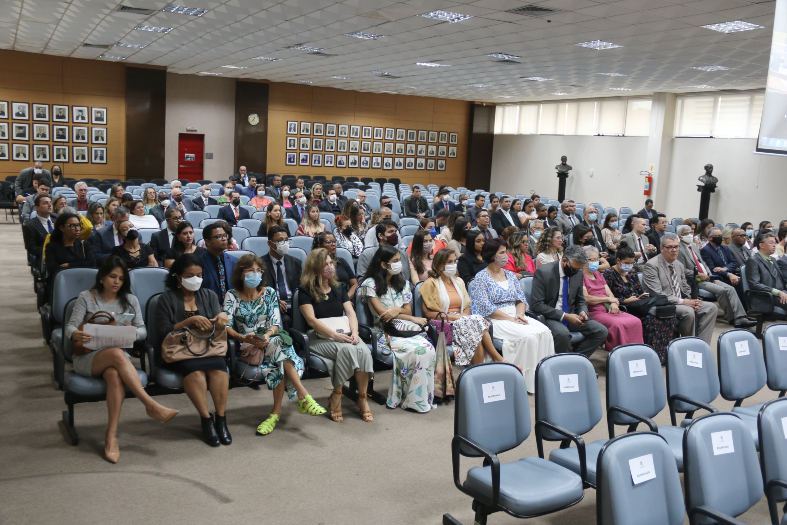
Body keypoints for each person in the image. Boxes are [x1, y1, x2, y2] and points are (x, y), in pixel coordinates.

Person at [66, 257, 178, 461]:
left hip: (117, 360)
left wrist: (131, 332)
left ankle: (111, 435)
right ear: (101, 277)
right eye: (112, 276)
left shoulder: (130, 300)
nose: (116, 281)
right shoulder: (86, 297)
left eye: (120, 277)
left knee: (114, 376)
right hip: (89, 358)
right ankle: (150, 405)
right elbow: (70, 326)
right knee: (117, 354)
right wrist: (75, 335)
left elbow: (143, 331)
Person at [223, 254, 325, 434]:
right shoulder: (231, 296)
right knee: (282, 350)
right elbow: (227, 327)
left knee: (278, 348)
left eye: (259, 271)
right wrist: (245, 338)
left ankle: (275, 414)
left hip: (269, 339)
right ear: (241, 274)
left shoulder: (269, 292)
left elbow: (275, 322)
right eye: (251, 271)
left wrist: (268, 335)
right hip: (247, 345)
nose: (256, 274)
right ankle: (303, 396)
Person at [155, 253, 232, 447]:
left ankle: (221, 419)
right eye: (190, 275)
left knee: (218, 368)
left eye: (199, 275)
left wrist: (222, 316)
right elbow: (162, 331)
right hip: (180, 350)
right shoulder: (166, 298)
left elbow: (218, 323)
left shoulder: (209, 295)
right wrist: (188, 321)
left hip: (208, 347)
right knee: (196, 372)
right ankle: (206, 420)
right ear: (178, 277)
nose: (195, 280)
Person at [469, 238, 555, 390]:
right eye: (502, 253)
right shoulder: (480, 278)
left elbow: (520, 299)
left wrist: (520, 314)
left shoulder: (510, 275)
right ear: (492, 255)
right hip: (495, 319)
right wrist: (509, 318)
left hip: (516, 315)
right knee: (529, 337)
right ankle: (521, 380)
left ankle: (542, 379)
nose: (506, 256)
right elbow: (484, 306)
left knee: (545, 332)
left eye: (506, 252)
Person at [299, 248, 374, 422]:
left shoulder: (338, 287)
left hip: (344, 332)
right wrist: (334, 336)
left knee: (363, 350)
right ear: (315, 267)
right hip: (317, 337)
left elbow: (350, 313)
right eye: (325, 264)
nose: (330, 266)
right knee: (347, 350)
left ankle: (362, 398)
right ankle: (337, 395)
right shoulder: (305, 290)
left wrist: (355, 332)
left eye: (331, 263)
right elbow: (311, 320)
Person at [360, 246, 436, 412]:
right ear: (383, 264)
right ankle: (409, 398)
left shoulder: (403, 282)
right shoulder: (369, 284)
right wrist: (405, 315)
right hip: (384, 333)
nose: (399, 264)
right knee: (418, 350)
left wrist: (397, 310)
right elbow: (383, 314)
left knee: (428, 348)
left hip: (405, 329)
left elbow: (406, 310)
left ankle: (417, 398)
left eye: (399, 260)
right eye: (394, 261)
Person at [421, 249, 508, 371]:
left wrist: (463, 317)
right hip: (445, 324)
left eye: (454, 261)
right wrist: (455, 317)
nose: (453, 264)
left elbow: (467, 306)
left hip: (465, 321)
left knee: (474, 327)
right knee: (476, 325)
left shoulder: (459, 281)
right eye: (449, 262)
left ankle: (478, 370)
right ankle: (496, 359)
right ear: (440, 265)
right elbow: (428, 313)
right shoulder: (430, 284)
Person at [604, 241, 678, 363]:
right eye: (626, 263)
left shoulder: (632, 272)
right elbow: (609, 296)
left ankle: (662, 355)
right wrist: (625, 300)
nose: (629, 266)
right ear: (618, 261)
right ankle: (648, 355)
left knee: (667, 316)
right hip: (624, 306)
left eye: (632, 263)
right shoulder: (609, 273)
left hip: (639, 304)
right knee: (651, 319)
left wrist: (642, 296)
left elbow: (639, 290)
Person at [529, 244, 608, 358]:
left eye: (579, 269)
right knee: (563, 334)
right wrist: (565, 316)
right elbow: (537, 305)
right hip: (550, 315)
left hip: (572, 314)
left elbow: (580, 300)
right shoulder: (544, 273)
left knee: (601, 331)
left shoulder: (578, 272)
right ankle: (566, 364)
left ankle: (575, 360)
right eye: (574, 269)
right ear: (564, 261)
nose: (576, 272)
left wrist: (583, 312)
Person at [642, 233, 719, 345]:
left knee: (711, 308)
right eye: (670, 247)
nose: (674, 250)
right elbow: (657, 293)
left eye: (676, 247)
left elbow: (685, 287)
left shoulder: (678, 265)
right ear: (661, 248)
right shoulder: (652, 265)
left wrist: (693, 301)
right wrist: (685, 302)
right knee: (688, 312)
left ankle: (702, 345)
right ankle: (688, 346)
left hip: (681, 301)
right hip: (662, 303)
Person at [677, 225, 753, 328]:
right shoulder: (679, 249)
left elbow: (702, 262)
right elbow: (682, 269)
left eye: (691, 232)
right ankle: (733, 318)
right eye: (687, 234)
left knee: (730, 289)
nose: (690, 235)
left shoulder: (693, 246)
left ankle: (741, 317)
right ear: (680, 236)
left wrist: (709, 273)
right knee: (721, 290)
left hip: (708, 276)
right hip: (696, 280)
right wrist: (700, 275)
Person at [581, 245, 644, 351]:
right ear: (583, 260)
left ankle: (636, 354)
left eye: (597, 259)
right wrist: (608, 300)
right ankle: (619, 355)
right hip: (593, 312)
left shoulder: (598, 274)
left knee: (636, 321)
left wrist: (614, 303)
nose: (596, 262)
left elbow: (610, 294)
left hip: (609, 309)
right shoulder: (580, 275)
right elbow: (587, 298)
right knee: (617, 325)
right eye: (592, 260)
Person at [262, 226, 301, 329]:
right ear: (270, 243)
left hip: (294, 303)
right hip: (273, 304)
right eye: (280, 240)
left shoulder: (295, 262)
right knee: (285, 320)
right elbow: (259, 290)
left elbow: (301, 287)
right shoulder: (260, 264)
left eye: (286, 240)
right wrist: (274, 301)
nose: (284, 243)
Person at [45, 212, 97, 287]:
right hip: (61, 284)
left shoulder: (84, 244)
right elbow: (53, 269)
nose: (77, 229)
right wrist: (80, 266)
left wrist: (68, 265)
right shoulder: (52, 247)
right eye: (73, 226)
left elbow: (92, 264)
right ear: (62, 228)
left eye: (79, 225)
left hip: (82, 282)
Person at [198, 222, 237, 302]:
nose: (224, 239)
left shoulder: (234, 261)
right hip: (209, 308)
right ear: (208, 242)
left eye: (225, 235)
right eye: (219, 236)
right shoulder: (198, 262)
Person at [747, 233, 787, 309]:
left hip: (781, 292)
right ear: (761, 245)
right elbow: (754, 284)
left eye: (775, 243)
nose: (774, 245)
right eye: (771, 243)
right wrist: (778, 292)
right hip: (767, 296)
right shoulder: (753, 261)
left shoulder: (773, 259)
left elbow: (781, 280)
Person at [313, 231, 358, 299]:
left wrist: (346, 299)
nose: (333, 244)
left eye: (334, 241)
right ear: (320, 246)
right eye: (329, 242)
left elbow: (354, 284)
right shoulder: (315, 264)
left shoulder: (341, 261)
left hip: (346, 298)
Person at [23, 194, 53, 264]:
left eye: (50, 202)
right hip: (44, 260)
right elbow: (31, 248)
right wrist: (51, 252)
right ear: (37, 208)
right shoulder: (30, 226)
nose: (49, 205)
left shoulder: (58, 220)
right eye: (45, 203)